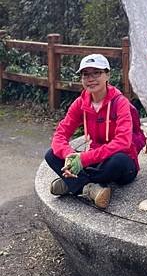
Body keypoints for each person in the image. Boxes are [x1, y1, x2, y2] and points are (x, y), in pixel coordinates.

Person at [45, 53, 139, 209]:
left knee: (118, 161)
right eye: (85, 74)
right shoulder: (81, 103)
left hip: (121, 164)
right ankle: (90, 189)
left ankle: (72, 184)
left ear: (108, 75)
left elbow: (123, 142)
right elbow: (60, 133)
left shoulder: (120, 102)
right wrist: (69, 156)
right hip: (95, 161)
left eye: (97, 73)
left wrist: (83, 160)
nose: (90, 78)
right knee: (51, 154)